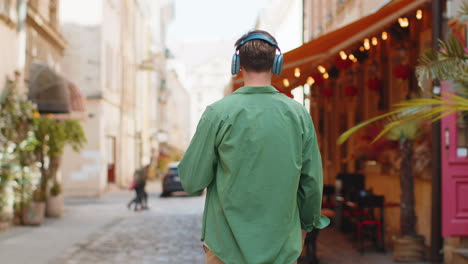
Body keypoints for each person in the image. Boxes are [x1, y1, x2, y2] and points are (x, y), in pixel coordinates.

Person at [179, 30, 329, 264]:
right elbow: (311, 183)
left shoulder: (217, 114)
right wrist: (304, 229)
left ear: (237, 64)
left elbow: (191, 181)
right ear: (276, 64)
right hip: (281, 249)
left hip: (225, 249)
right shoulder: (298, 115)